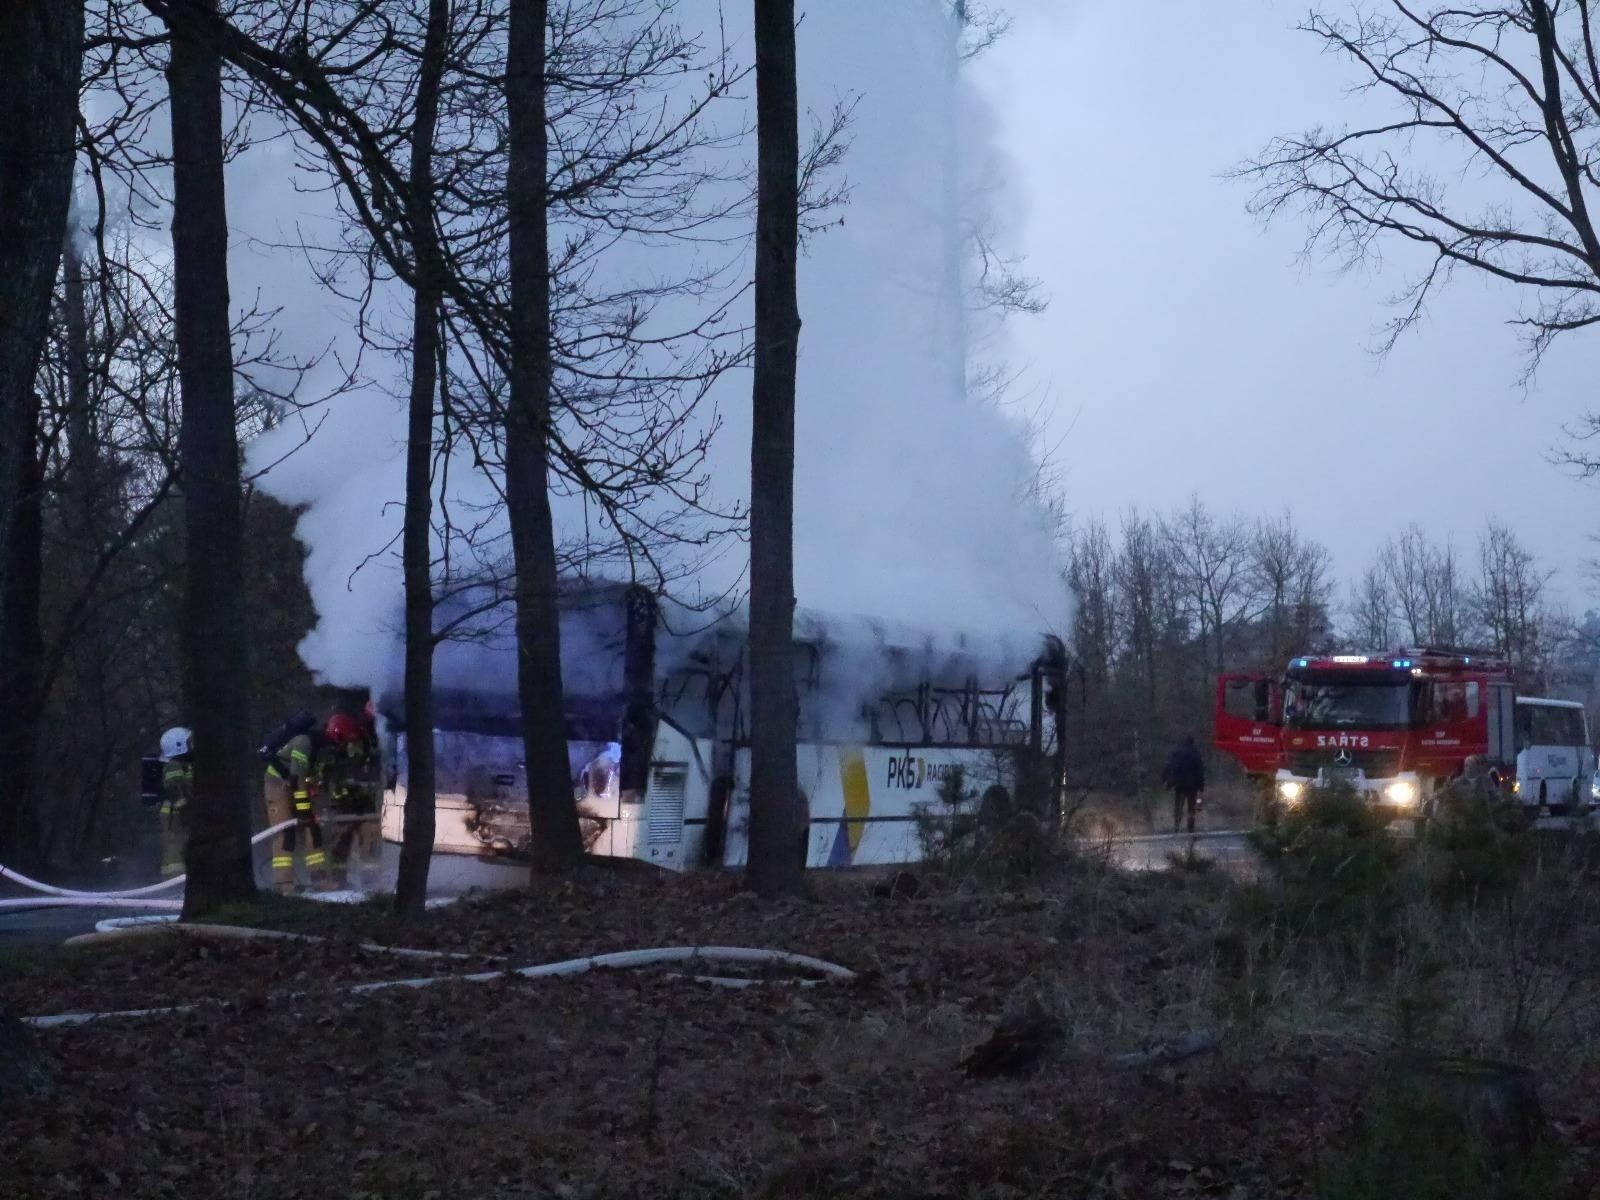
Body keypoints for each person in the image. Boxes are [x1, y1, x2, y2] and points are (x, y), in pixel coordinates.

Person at [263, 710, 332, 893]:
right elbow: (296, 778)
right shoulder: (304, 743)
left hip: (295, 783)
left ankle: (319, 877)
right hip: (277, 783)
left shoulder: (320, 750)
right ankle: (283, 883)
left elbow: (310, 779)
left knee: (313, 829)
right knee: (285, 831)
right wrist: (303, 810)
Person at [323, 710, 381, 890]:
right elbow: (326, 777)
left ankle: (371, 882)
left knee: (370, 843)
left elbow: (373, 770)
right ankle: (337, 880)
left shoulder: (367, 742)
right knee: (339, 844)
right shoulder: (330, 751)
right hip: (342, 806)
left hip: (365, 803)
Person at [157, 726, 194, 878]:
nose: (192, 745)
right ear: (180, 746)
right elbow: (173, 787)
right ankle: (175, 882)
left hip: (178, 810)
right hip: (175, 812)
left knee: (180, 843)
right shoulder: (174, 765)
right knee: (175, 847)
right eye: (189, 742)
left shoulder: (185, 764)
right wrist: (183, 805)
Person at [1162, 734, 1206, 834]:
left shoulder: (1177, 753)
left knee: (1178, 806)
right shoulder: (1196, 754)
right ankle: (1190, 828)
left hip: (1180, 785)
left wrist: (1165, 780)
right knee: (1191, 807)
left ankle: (1176, 827)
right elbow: (1200, 772)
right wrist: (1201, 788)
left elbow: (1170, 767)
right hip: (1192, 785)